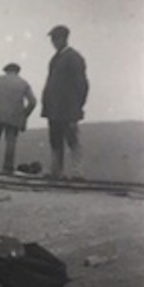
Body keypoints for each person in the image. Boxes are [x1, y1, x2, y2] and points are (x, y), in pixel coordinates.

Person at [41, 25, 89, 180]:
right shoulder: (56, 59)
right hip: (55, 108)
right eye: (53, 39)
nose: (54, 42)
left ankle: (77, 172)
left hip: (68, 108)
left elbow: (81, 85)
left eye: (56, 39)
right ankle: (56, 171)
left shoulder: (74, 58)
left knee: (72, 139)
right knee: (55, 140)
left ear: (64, 39)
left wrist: (77, 107)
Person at [0, 62, 37, 174]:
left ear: (6, 71)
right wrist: (24, 115)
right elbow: (33, 102)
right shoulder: (23, 83)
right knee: (11, 143)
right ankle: (7, 168)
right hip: (14, 117)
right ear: (17, 71)